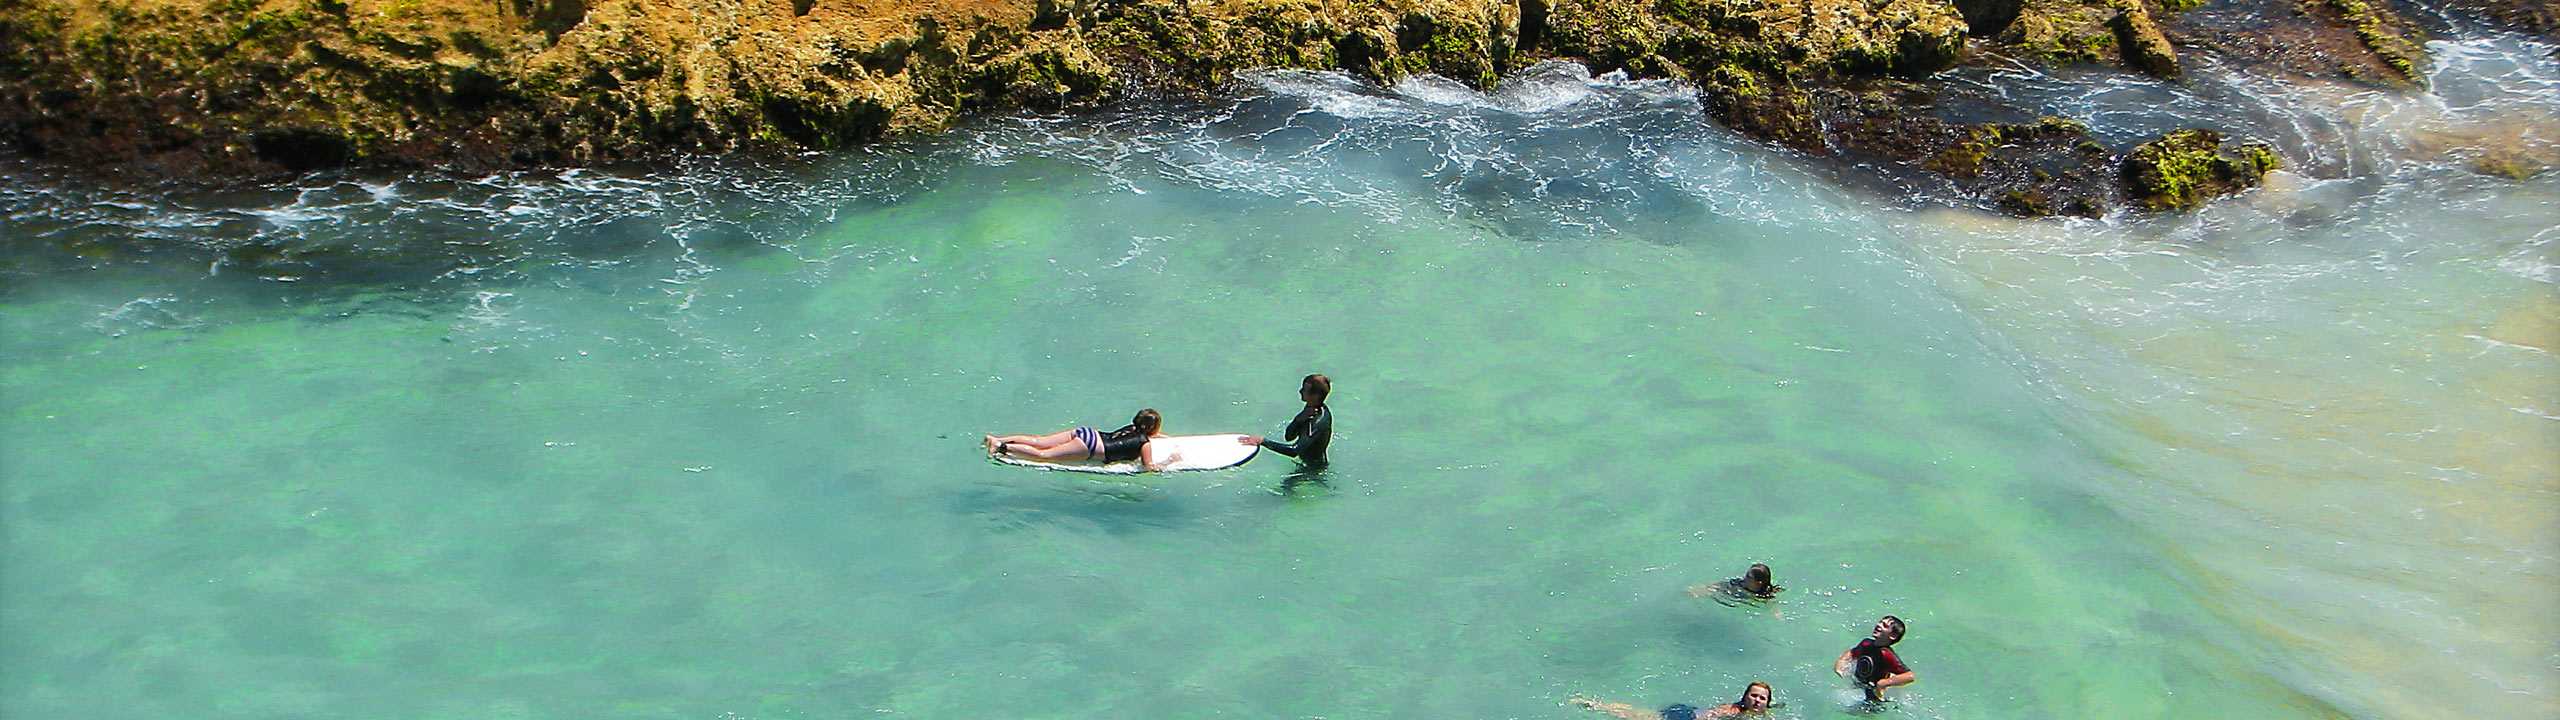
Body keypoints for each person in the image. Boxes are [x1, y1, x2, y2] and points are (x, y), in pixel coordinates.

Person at [985, 409, 1175, 470]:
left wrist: (1166, 437)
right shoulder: (1144, 444)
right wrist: (1170, 461)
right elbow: (1149, 467)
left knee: (1039, 442)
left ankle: (997, 438)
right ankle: (1001, 447)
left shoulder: (1132, 428)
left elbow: (1149, 434)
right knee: (1044, 455)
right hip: (1090, 447)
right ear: (1153, 428)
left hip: (1088, 433)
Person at [1241, 373, 1331, 466]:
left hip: (1313, 470)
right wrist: (1298, 419)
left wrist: (1262, 441)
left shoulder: (1317, 422)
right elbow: (1289, 437)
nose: (1300, 391)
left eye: (1305, 389)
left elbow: (1294, 451)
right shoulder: (1309, 410)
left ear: (1315, 396)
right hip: (1305, 464)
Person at [1567, 682, 1775, 719]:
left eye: (1762, 698)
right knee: (1636, 717)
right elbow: (1709, 717)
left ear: (1767, 702)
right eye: (1753, 695)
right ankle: (1595, 705)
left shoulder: (1764, 714)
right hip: (1686, 717)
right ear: (1745, 697)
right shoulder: (1734, 711)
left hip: (1692, 711)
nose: (1757, 700)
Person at [1835, 615, 1914, 703]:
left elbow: (1909, 676)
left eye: (1885, 625)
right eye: (1880, 622)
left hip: (1874, 694)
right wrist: (1841, 662)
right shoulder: (1866, 643)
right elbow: (1851, 653)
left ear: (1893, 636)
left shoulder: (1886, 654)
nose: (1879, 625)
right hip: (1858, 687)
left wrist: (1883, 683)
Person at [1689, 563, 1784, 601]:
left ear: (1758, 583)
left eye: (1748, 577)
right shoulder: (1739, 583)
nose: (1744, 577)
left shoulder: (1765, 594)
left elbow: (1773, 603)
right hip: (1730, 590)